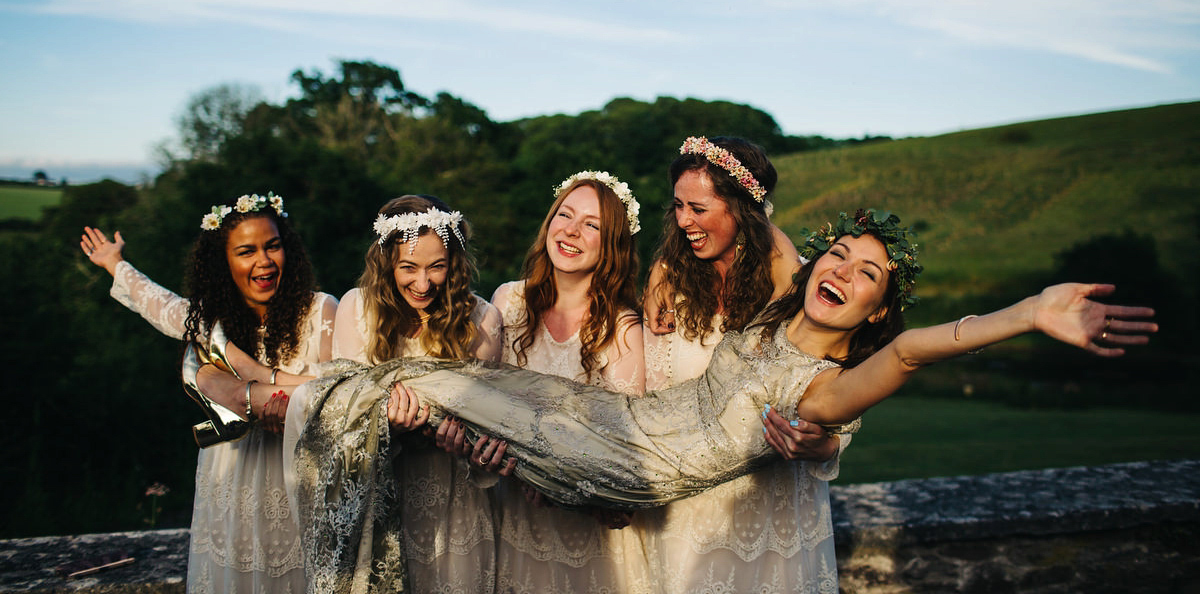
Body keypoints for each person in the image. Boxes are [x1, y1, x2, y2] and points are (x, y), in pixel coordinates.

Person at [195, 208, 1155, 594]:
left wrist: (1028, 311)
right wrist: (727, 177)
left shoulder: (824, 384)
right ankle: (279, 398)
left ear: (873, 310)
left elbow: (910, 352)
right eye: (839, 257)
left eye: (865, 276)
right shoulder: (777, 318)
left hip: (634, 462)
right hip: (607, 422)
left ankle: (274, 414)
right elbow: (768, 235)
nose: (842, 273)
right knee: (438, 383)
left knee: (420, 383)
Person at [80, 192, 338, 594]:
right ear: (224, 262)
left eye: (273, 246)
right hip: (230, 476)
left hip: (299, 476)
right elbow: (156, 301)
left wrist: (266, 397)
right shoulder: (208, 321)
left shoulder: (321, 309)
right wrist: (114, 263)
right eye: (246, 251)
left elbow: (335, 390)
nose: (264, 261)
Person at [637, 136, 844, 593]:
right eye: (677, 206)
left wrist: (827, 445)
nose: (683, 221)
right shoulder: (674, 280)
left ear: (741, 209)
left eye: (698, 208)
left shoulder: (798, 286)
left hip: (771, 516)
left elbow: (838, 389)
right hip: (686, 515)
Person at [326, 195, 504, 593]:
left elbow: (493, 423)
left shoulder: (482, 319)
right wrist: (387, 424)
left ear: (453, 264)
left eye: (437, 267)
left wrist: (472, 447)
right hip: (379, 502)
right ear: (386, 261)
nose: (422, 284)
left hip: (456, 501)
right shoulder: (357, 310)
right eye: (408, 267)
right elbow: (341, 416)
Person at [488, 171, 645, 593]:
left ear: (612, 243)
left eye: (592, 224)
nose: (571, 231)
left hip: (588, 541)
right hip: (511, 519)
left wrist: (560, 481)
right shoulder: (509, 302)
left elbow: (624, 451)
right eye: (565, 214)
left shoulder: (625, 330)